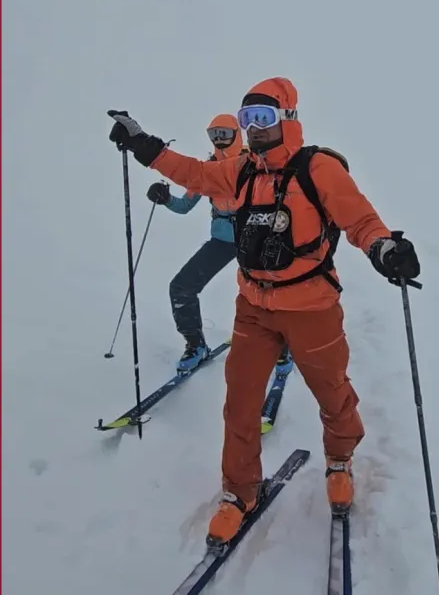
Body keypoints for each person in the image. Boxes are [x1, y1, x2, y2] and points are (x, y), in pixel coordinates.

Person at [106, 77, 422, 551]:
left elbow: (359, 220)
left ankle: (339, 462)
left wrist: (383, 248)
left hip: (311, 307)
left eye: (264, 118)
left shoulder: (318, 168)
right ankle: (239, 493)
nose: (254, 129)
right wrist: (143, 145)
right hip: (253, 307)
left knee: (333, 394)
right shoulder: (240, 171)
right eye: (247, 119)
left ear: (288, 120)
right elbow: (191, 173)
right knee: (241, 404)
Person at [147, 114, 292, 378]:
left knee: (270, 291)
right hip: (223, 241)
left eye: (225, 133)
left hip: (257, 240)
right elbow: (183, 206)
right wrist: (166, 198)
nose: (219, 140)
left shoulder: (255, 164)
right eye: (214, 134)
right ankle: (195, 344)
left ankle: (282, 345)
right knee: (181, 287)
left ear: (238, 133)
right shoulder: (207, 171)